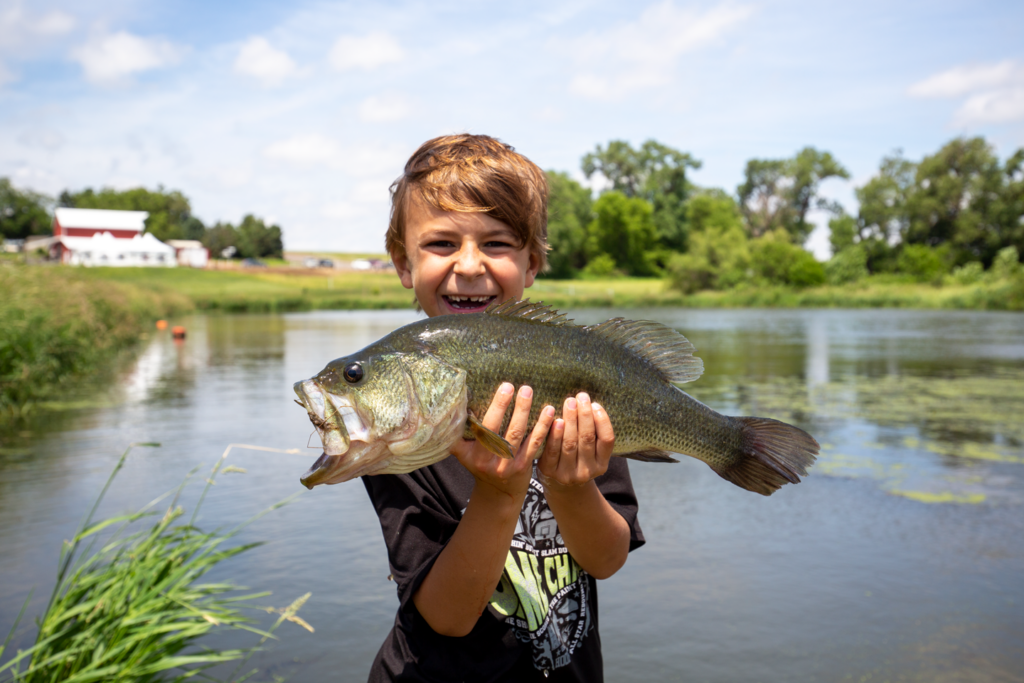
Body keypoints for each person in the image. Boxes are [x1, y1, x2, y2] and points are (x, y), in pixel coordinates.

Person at [362, 134, 644, 682]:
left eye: (497, 244)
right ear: (403, 262)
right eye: (441, 243)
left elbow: (607, 560)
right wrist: (499, 492)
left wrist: (570, 486)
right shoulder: (400, 423)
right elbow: (444, 617)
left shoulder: (575, 380)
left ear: (532, 262)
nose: (469, 265)